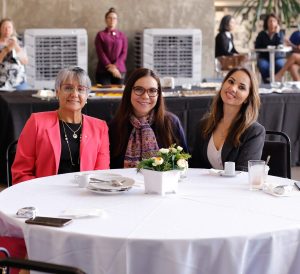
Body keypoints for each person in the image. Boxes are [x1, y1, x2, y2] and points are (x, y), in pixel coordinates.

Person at [12, 66, 110, 184]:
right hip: (43, 195)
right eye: (68, 88)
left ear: (87, 95)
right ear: (57, 92)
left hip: (85, 196)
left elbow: (101, 175)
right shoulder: (36, 122)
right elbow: (21, 173)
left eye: (81, 89)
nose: (74, 94)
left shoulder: (100, 127)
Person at [109, 68, 188, 168]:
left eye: (152, 90)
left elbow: (184, 163)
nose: (145, 96)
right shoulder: (114, 126)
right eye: (139, 89)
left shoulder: (171, 123)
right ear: (129, 91)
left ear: (158, 94)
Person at [190, 67, 265, 171]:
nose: (233, 88)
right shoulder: (203, 125)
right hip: (204, 186)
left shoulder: (254, 132)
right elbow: (195, 167)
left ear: (247, 98)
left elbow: (244, 173)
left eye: (241, 87)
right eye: (230, 81)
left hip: (234, 187)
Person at [95, 7, 128, 85]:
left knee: (119, 95)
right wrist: (110, 67)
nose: (112, 20)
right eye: (109, 18)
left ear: (117, 20)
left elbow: (124, 53)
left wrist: (115, 66)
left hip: (119, 70)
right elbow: (101, 53)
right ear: (106, 20)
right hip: (103, 70)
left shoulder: (122, 35)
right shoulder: (100, 35)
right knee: (104, 94)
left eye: (114, 18)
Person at [255, 13, 285, 83]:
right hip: (264, 57)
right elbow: (257, 46)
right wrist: (266, 47)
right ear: (266, 23)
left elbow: (280, 45)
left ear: (277, 23)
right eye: (270, 21)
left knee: (279, 64)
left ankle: (276, 81)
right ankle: (267, 82)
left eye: (274, 21)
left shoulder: (280, 33)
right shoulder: (261, 34)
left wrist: (277, 33)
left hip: (277, 57)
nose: (272, 23)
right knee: (263, 66)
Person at [0, 18, 28, 90]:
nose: (7, 30)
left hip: (19, 82)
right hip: (2, 83)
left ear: (12, 29)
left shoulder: (19, 43)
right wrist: (6, 50)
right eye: (4, 27)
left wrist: (16, 46)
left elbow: (24, 61)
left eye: (9, 27)